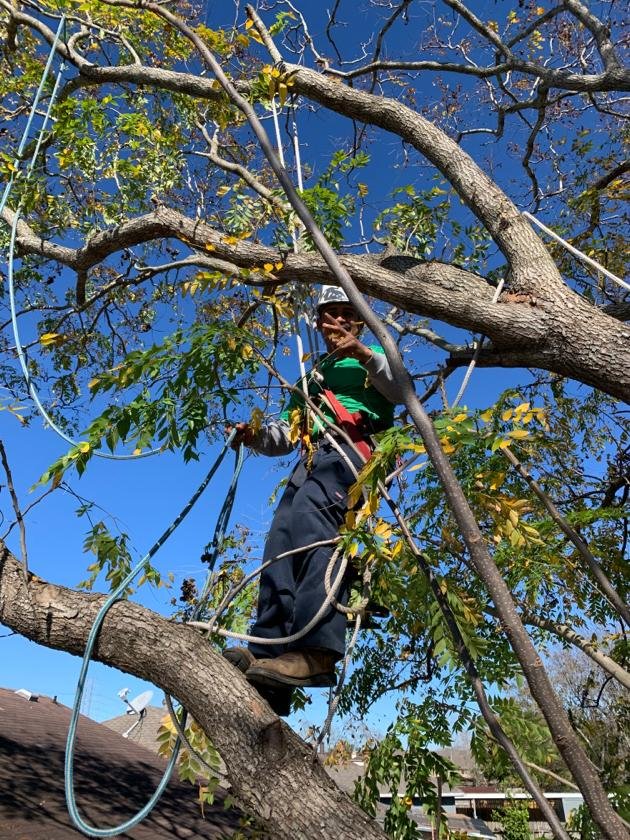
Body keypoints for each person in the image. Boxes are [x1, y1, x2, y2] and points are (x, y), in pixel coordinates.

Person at [224, 286, 398, 714]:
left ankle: (316, 650)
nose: (337, 322)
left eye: (346, 314)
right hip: (311, 460)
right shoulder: (309, 378)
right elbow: (285, 433)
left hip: (349, 455)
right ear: (319, 323)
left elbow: (399, 390)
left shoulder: (374, 356)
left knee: (314, 530)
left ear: (358, 320)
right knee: (281, 539)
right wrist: (255, 436)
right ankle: (268, 650)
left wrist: (363, 352)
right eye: (329, 315)